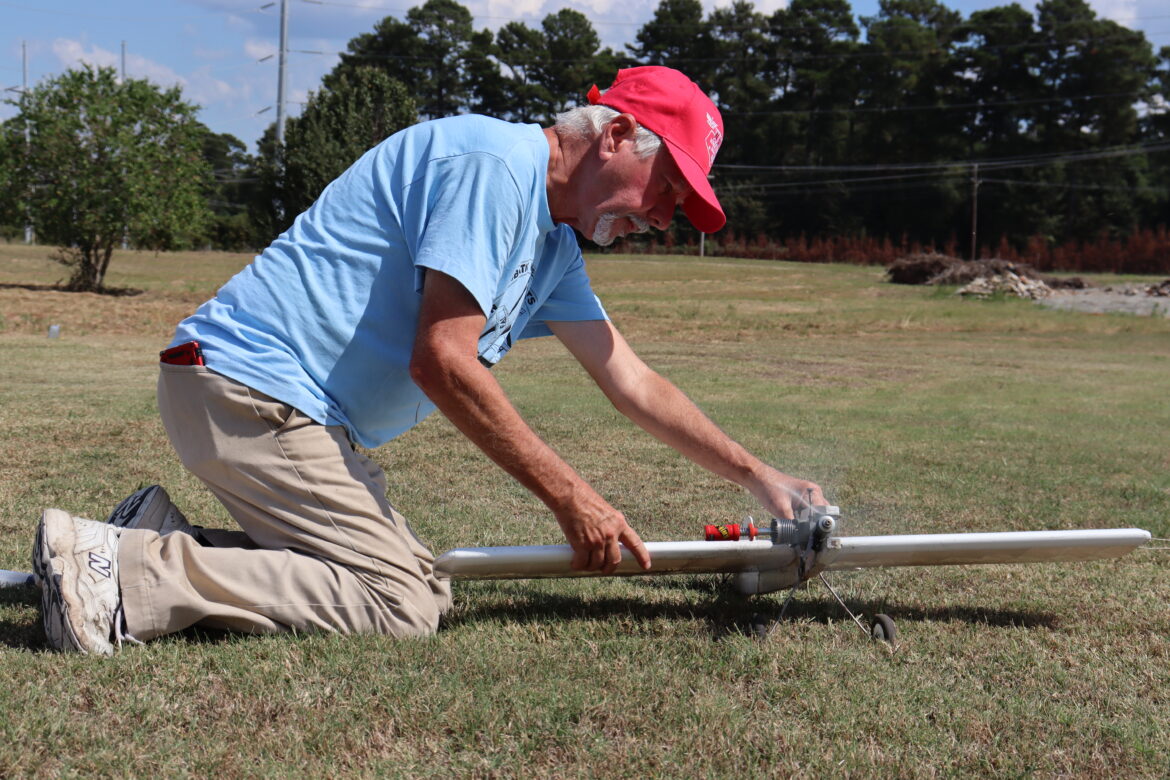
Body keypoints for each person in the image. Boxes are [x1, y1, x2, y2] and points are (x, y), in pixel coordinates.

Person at [32, 66, 825, 655]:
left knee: (424, 581)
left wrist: (760, 477)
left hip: (269, 402)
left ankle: (154, 535)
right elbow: (443, 362)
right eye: (669, 185)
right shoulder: (495, 168)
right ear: (615, 135)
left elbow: (632, 380)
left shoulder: (552, 243)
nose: (667, 215)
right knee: (399, 603)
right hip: (249, 392)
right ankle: (119, 571)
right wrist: (572, 497)